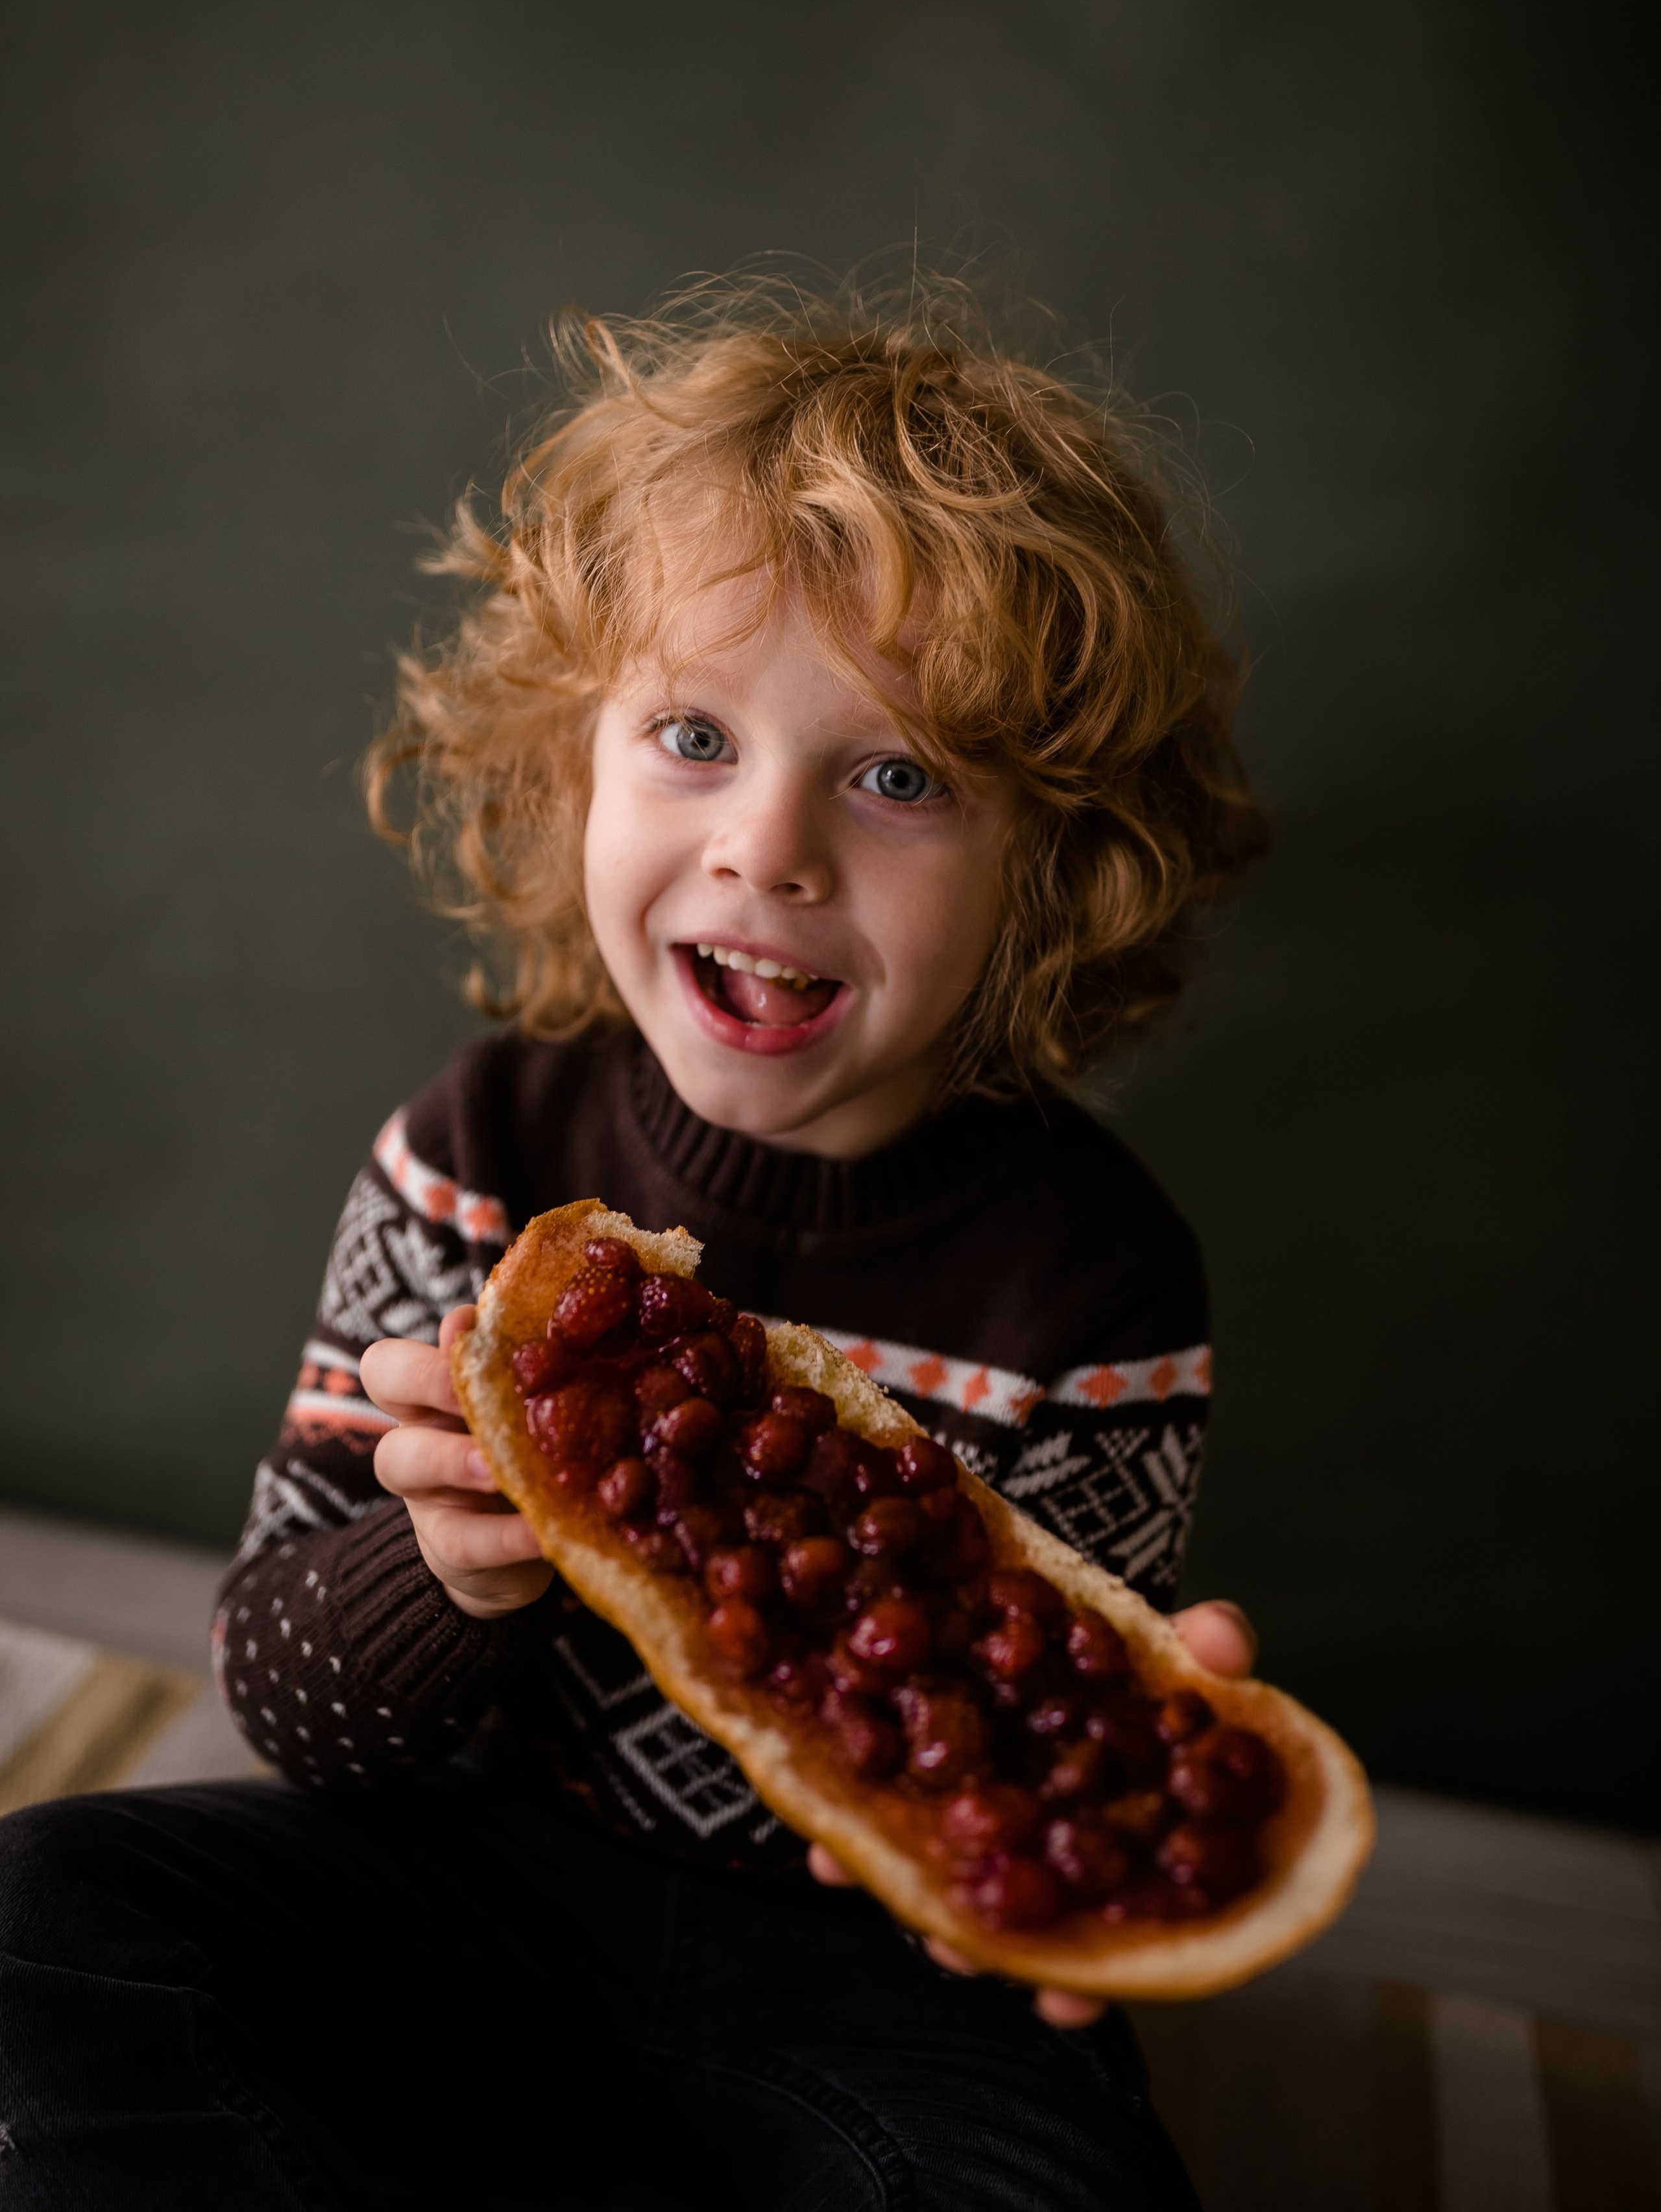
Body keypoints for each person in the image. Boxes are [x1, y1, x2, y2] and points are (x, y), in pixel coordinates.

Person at [0, 276, 1272, 2209]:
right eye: (692, 732)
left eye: (898, 776)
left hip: (860, 1995)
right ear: (567, 765)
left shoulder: (1096, 1281)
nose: (771, 846)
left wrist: (1061, 1811)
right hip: (452, 1897)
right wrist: (441, 1564)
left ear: (1050, 868)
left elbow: (1020, 1726)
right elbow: (277, 1697)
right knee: (37, 1920)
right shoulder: (473, 1157)